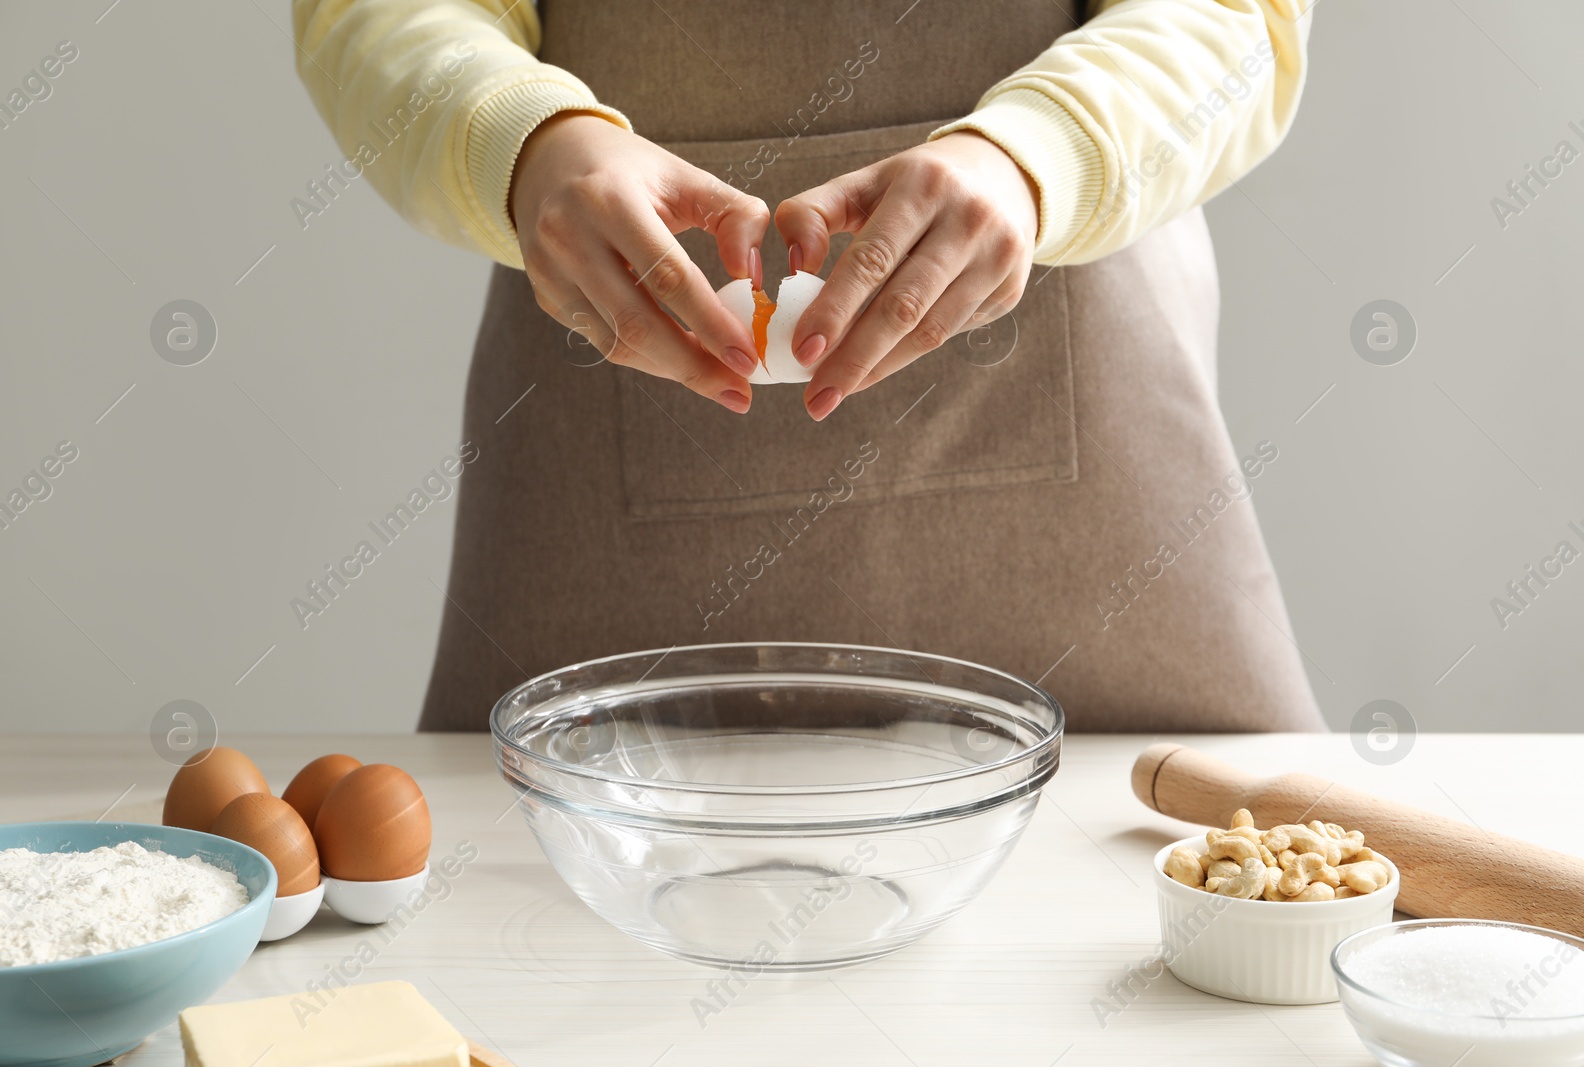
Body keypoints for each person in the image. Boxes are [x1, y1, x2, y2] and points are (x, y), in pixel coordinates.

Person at [293, 0, 1326, 733]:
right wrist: (522, 142)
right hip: (593, 546)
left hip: (1103, 475)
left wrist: (1033, 158)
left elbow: (1235, 20)